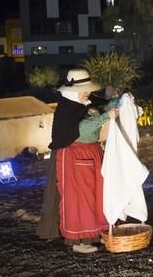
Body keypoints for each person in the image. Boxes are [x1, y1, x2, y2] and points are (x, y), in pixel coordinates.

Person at [36, 68, 119, 254]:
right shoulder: (67, 109)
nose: (87, 93)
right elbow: (80, 130)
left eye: (88, 89)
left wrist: (122, 102)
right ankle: (77, 239)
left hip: (89, 153)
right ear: (72, 90)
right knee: (78, 198)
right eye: (84, 89)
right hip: (73, 156)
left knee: (94, 194)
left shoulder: (85, 102)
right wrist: (106, 117)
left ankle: (93, 234)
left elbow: (103, 104)